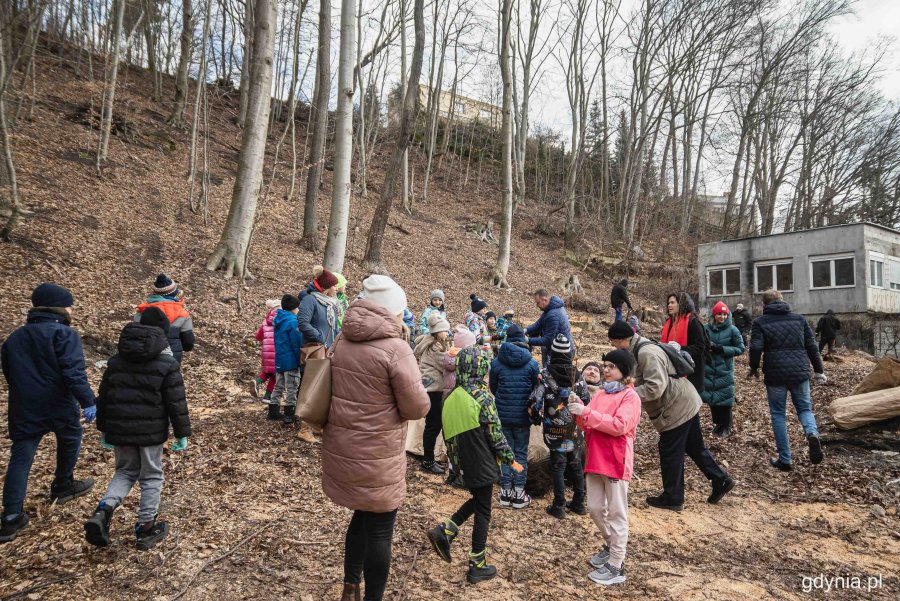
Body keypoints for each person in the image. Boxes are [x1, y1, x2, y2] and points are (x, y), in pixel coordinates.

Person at [321, 275, 430, 601]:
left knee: (361, 514)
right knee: (381, 529)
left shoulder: (342, 338)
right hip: (379, 456)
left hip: (343, 450)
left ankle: (350, 586)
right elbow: (418, 406)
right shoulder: (395, 349)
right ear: (393, 310)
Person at [85, 308, 191, 550]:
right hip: (151, 432)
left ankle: (103, 512)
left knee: (124, 472)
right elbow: (176, 402)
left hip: (120, 429)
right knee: (152, 475)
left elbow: (104, 397)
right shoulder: (168, 364)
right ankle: (146, 528)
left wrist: (104, 430)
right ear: (163, 333)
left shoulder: (115, 362)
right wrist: (182, 433)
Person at [1, 284, 97, 543]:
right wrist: (88, 401)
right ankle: (63, 484)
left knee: (21, 456)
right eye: (68, 305)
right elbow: (73, 372)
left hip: (24, 406)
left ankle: (11, 517)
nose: (70, 309)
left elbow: (9, 374)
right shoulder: (64, 335)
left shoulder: (15, 338)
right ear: (57, 307)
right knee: (71, 436)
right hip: (58, 403)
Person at [607, 321, 734, 512]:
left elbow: (655, 387)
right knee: (694, 446)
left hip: (676, 406)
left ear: (620, 339)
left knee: (669, 450)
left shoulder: (646, 353)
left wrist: (626, 394)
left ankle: (672, 497)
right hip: (685, 400)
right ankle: (720, 480)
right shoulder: (640, 348)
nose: (613, 347)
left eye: (613, 343)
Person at [427, 347, 522, 585]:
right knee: (484, 511)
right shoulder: (482, 396)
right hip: (481, 458)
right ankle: (477, 563)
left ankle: (447, 530)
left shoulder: (450, 398)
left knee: (480, 500)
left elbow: (448, 437)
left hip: (462, 462)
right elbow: (495, 434)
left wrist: (455, 467)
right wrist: (511, 459)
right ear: (481, 368)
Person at [569, 349, 641, 586]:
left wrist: (587, 412)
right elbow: (589, 423)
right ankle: (612, 546)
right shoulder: (600, 393)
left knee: (617, 513)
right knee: (594, 508)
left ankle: (617, 564)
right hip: (595, 458)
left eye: (611, 366)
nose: (605, 370)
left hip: (616, 460)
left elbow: (620, 425)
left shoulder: (631, 397)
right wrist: (578, 410)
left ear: (625, 371)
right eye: (605, 365)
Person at [750, 289, 826, 471]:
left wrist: (753, 367)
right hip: (800, 373)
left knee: (778, 415)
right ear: (783, 301)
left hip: (776, 375)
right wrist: (818, 370)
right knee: (805, 409)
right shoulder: (799, 319)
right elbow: (812, 346)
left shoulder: (760, 322)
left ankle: (785, 459)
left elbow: (755, 348)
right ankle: (812, 433)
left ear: (764, 305)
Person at [529, 334, 586, 519]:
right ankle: (579, 502)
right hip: (574, 427)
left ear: (552, 352)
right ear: (570, 353)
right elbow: (587, 399)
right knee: (576, 464)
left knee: (558, 465)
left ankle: (559, 504)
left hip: (554, 428)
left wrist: (536, 416)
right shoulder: (577, 375)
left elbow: (536, 399)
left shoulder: (546, 374)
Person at [489, 324, 539, 509]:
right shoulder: (532, 363)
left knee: (504, 453)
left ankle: (504, 493)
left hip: (502, 414)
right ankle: (519, 493)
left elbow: (493, 388)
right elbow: (537, 388)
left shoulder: (496, 363)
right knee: (520, 454)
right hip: (522, 416)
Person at [272, 295, 315, 442]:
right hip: (290, 360)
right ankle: (289, 415)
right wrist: (301, 357)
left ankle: (273, 410)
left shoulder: (278, 319)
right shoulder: (292, 321)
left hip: (279, 359)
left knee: (278, 386)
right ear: (294, 308)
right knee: (292, 387)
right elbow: (296, 341)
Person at [415, 312, 453, 474]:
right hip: (432, 390)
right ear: (437, 332)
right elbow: (447, 364)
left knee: (434, 423)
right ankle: (428, 461)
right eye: (445, 331)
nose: (447, 333)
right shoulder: (434, 347)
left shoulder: (434, 343)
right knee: (433, 424)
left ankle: (429, 458)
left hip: (431, 387)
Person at [702, 302, 745, 438]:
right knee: (712, 398)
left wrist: (722, 349)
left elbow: (740, 349)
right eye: (719, 314)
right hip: (708, 367)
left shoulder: (733, 330)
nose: (722, 317)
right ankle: (718, 424)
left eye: (724, 314)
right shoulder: (705, 328)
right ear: (714, 315)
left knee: (725, 399)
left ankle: (726, 426)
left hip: (724, 369)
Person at [135, 274, 195, 363]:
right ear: (173, 293)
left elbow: (136, 334)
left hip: (145, 356)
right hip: (172, 359)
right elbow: (188, 343)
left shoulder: (142, 311)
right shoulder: (183, 314)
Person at [661, 292, 707, 395]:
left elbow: (700, 347)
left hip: (691, 374)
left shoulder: (693, 322)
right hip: (672, 372)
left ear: (681, 304)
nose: (669, 305)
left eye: (672, 302)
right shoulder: (669, 322)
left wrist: (681, 348)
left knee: (690, 409)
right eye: (668, 303)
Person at [526, 289, 574, 367]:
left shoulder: (553, 314)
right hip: (556, 349)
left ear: (544, 300)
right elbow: (539, 323)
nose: (536, 305)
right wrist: (526, 330)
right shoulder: (551, 308)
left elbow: (547, 340)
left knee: (551, 376)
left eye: (538, 303)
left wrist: (528, 340)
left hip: (562, 353)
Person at [253, 299, 280, 401]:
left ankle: (257, 381)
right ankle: (268, 396)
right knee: (276, 374)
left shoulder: (265, 321)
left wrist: (265, 341)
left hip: (266, 351)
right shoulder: (282, 320)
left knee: (268, 371)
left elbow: (258, 336)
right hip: (278, 350)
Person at [443, 326, 476, 399]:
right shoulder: (462, 358)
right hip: (455, 389)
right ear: (465, 345)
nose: (472, 348)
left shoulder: (451, 354)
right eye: (471, 345)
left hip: (451, 389)